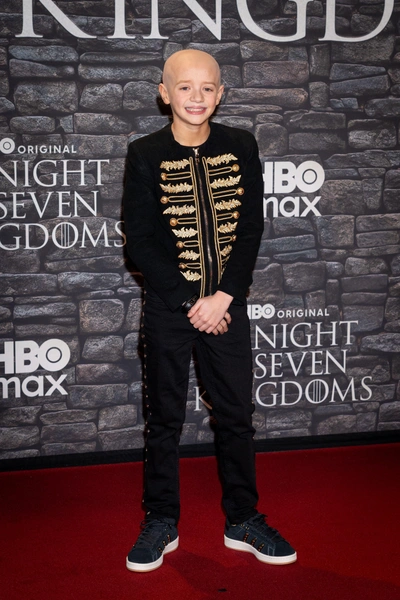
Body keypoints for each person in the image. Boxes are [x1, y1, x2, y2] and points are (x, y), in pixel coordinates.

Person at [122, 49, 296, 572]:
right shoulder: (144, 153)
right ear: (164, 93)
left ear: (220, 94)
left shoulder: (241, 145)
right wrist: (189, 301)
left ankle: (243, 519)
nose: (195, 97)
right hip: (169, 310)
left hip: (226, 307)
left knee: (237, 417)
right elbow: (141, 242)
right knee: (163, 419)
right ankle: (160, 520)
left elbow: (250, 228)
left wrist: (224, 297)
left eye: (206, 87)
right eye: (184, 86)